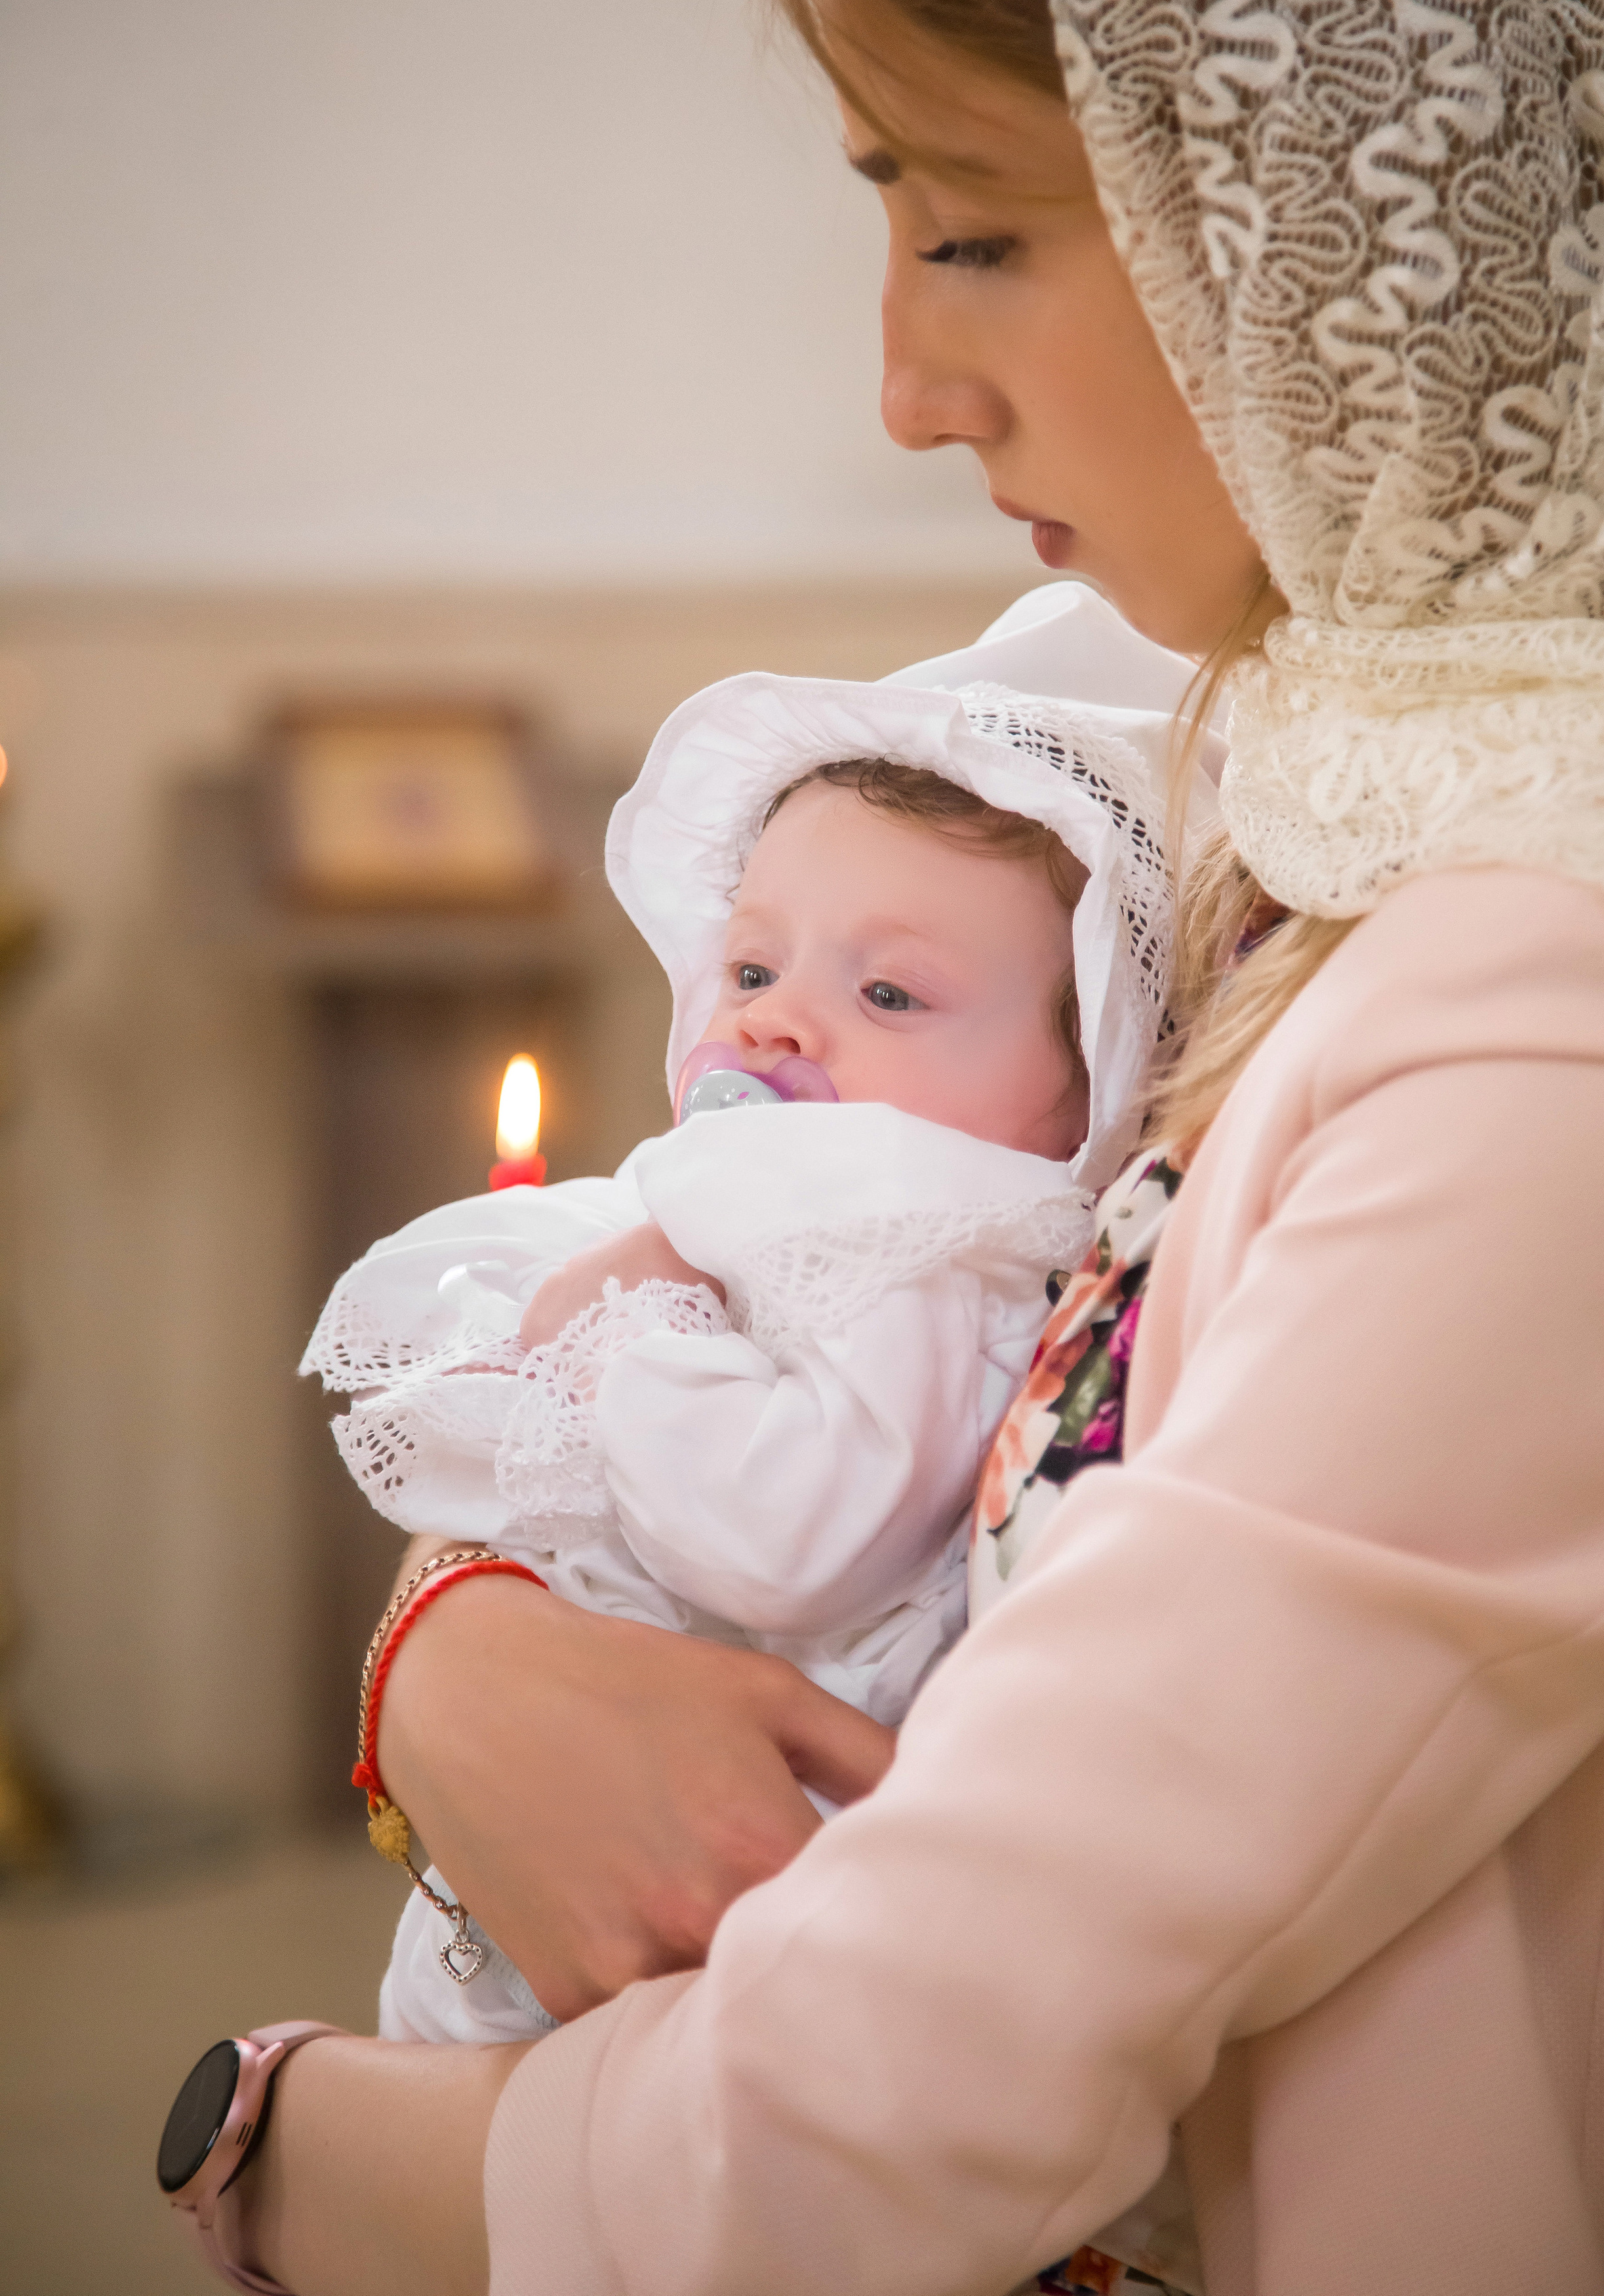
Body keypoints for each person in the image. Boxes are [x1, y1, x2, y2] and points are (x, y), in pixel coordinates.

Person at [176, 0, 1604, 2291]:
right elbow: (701, 1241)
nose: (904, 386)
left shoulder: (1568, 1001)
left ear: (1379, 223)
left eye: (972, 225)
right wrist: (463, 1643)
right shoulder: (1277, 724)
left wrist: (278, 2152)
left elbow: (891, 2102)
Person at [303, 654, 1214, 2046]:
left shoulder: (927, 1248)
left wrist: (628, 1327)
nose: (772, 1018)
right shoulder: (791, 1222)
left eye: (891, 997)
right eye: (750, 964)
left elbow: (789, 1536)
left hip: (753, 1847)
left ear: (1072, 1100)